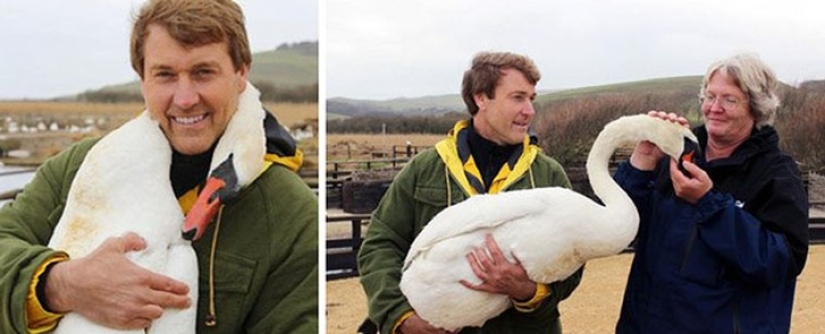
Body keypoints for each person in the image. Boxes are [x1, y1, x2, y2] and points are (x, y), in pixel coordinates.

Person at [0, 0, 318, 333]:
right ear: (142, 80)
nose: (184, 98)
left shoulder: (291, 215)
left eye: (203, 72)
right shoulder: (79, 168)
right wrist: (59, 285)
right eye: (165, 74)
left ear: (241, 73)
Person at [358, 51, 583, 334]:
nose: (529, 110)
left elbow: (573, 265)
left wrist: (527, 290)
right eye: (517, 97)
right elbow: (380, 244)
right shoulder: (425, 169)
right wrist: (400, 316)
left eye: (531, 99)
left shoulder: (548, 177)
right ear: (480, 98)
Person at [614, 53, 808, 333]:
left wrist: (709, 204)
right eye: (709, 96)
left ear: (757, 108)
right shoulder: (676, 153)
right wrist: (641, 165)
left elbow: (779, 263)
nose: (715, 108)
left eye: (729, 100)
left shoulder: (775, 174)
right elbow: (621, 229)